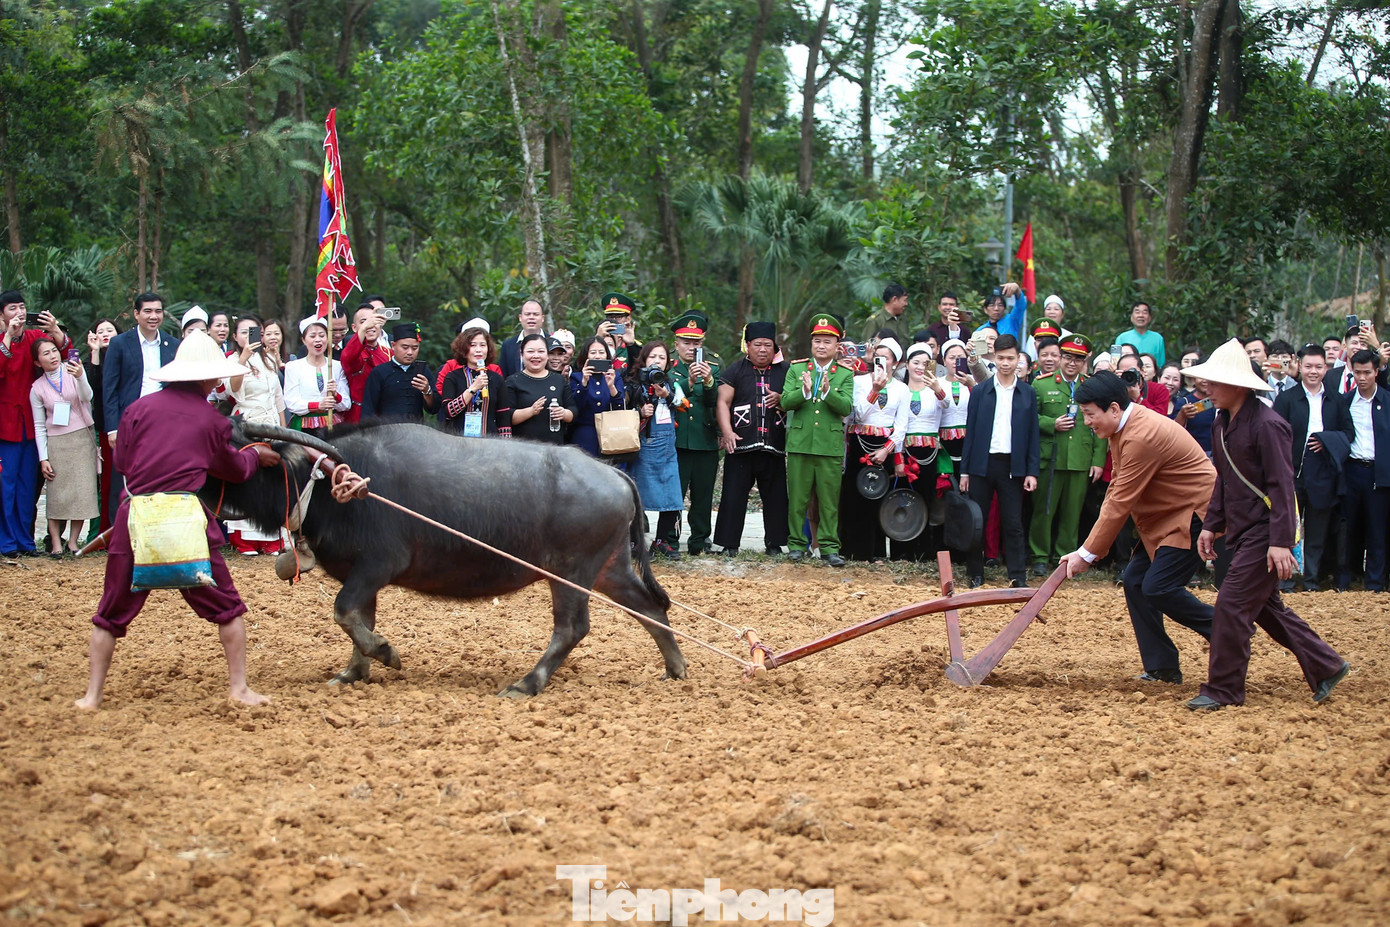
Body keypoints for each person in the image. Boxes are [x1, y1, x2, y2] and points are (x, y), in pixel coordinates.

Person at [75, 331, 283, 711]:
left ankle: (92, 696)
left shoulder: (138, 409)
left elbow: (122, 461)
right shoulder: (212, 420)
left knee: (109, 612)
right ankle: (238, 688)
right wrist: (256, 457)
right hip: (186, 521)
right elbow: (234, 470)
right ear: (208, 378)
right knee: (228, 607)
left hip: (134, 518)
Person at [1186, 339, 1350, 710]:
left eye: (1216, 381)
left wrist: (1281, 542)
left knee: (1230, 605)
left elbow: (1282, 485)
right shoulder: (1221, 422)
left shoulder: (1269, 424)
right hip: (1243, 532)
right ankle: (1327, 665)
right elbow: (1223, 480)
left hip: (1265, 532)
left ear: (1240, 385)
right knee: (1264, 607)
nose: (1207, 388)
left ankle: (1224, 689)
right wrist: (1212, 524)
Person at [1060, 371, 1216, 684]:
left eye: (1091, 414)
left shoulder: (1142, 435)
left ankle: (1224, 628)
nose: (1087, 422)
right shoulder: (1126, 428)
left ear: (1114, 408)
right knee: (1135, 581)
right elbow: (1117, 489)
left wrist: (1088, 554)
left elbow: (1120, 502)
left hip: (1193, 516)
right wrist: (1087, 549)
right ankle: (1162, 667)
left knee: (1159, 587)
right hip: (1165, 517)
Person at [959, 334, 1038, 587]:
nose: (1005, 363)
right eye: (1001, 358)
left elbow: (1033, 435)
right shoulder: (982, 390)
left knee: (1013, 523)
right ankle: (975, 573)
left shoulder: (1027, 393)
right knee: (977, 522)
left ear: (1019, 360)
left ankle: (1017, 575)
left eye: (1011, 358)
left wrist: (1031, 472)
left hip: (1013, 467)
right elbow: (970, 432)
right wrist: (965, 471)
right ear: (994, 358)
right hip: (982, 464)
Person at [1271, 344, 1348, 592]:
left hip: (1323, 474)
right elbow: (1275, 433)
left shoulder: (1336, 400)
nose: (1313, 372)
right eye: (1308, 366)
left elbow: (1349, 433)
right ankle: (1285, 580)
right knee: (1289, 528)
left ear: (1326, 367)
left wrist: (1327, 440)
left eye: (1318, 367)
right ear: (1299, 366)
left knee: (1317, 529)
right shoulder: (1287, 399)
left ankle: (1312, 580)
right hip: (1291, 474)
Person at [0, 291, 72, 555]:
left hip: (32, 423)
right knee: (5, 487)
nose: (18, 313)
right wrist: (8, 336)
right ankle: (6, 542)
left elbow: (62, 353)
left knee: (27, 486)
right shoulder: (2, 340)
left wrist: (54, 330)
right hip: (5, 426)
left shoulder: (33, 338)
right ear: (1, 315)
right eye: (11, 309)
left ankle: (25, 541)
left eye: (21, 307)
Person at [782, 314, 855, 566]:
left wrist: (827, 392)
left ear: (837, 346)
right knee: (798, 499)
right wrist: (803, 391)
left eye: (827, 341)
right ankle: (795, 545)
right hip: (801, 443)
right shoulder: (797, 368)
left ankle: (829, 547)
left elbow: (846, 407)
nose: (821, 346)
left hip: (829, 446)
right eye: (817, 341)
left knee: (829, 501)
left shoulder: (844, 373)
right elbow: (784, 401)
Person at [1029, 333, 1105, 575]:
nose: (1072, 363)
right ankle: (1040, 555)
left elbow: (1101, 425)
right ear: (1060, 357)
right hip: (1050, 456)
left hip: (1080, 459)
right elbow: (1029, 417)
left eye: (1078, 359)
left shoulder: (1091, 386)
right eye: (1068, 357)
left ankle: (1066, 556)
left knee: (1073, 512)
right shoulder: (1042, 384)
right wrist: (1052, 424)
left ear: (1085, 361)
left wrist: (1098, 460)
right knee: (1044, 509)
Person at [101, 293, 178, 526]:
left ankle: (157, 529)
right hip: (130, 420)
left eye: (158, 311)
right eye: (147, 311)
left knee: (162, 476)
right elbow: (109, 389)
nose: (153, 316)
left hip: (164, 422)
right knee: (123, 478)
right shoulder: (119, 344)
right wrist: (112, 427)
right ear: (136, 314)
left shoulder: (173, 344)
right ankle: (119, 534)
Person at [714, 322, 789, 556]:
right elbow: (722, 402)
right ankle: (729, 544)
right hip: (741, 445)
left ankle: (776, 544)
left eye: (768, 345)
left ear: (775, 347)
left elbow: (797, 398)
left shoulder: (786, 371)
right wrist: (727, 432)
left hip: (774, 446)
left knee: (776, 497)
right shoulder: (736, 370)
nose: (763, 350)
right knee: (733, 496)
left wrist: (783, 398)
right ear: (748, 346)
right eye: (758, 345)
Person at [840, 337, 908, 561]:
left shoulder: (902, 389)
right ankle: (851, 550)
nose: (882, 361)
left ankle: (876, 552)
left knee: (878, 500)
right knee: (854, 497)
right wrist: (875, 390)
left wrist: (887, 451)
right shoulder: (859, 382)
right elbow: (858, 414)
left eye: (886, 358)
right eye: (878, 355)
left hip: (883, 448)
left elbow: (901, 427)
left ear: (895, 364)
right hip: (860, 443)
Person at [30, 338, 99, 556]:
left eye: (54, 351)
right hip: (57, 442)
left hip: (81, 438)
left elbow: (88, 397)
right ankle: (56, 544)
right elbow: (39, 425)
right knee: (57, 493)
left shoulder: (73, 371)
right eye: (45, 354)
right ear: (37, 362)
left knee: (82, 491)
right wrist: (44, 458)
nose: (52, 356)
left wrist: (79, 377)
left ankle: (72, 542)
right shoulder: (37, 388)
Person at [226, 315, 287, 556]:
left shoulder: (270, 357)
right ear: (235, 336)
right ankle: (245, 539)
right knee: (248, 478)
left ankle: (272, 536)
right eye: (245, 332)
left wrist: (284, 431)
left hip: (272, 423)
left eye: (255, 332)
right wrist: (243, 359)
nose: (251, 337)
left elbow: (278, 397)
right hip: (247, 423)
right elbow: (234, 390)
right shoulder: (231, 360)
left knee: (271, 480)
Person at [666, 313, 722, 555]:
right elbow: (671, 398)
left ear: (703, 342)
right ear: (676, 343)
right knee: (674, 493)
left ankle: (700, 540)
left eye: (696, 343)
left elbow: (715, 402)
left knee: (703, 495)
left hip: (705, 438)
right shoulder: (667, 366)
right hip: (676, 440)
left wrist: (709, 381)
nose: (691, 347)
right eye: (686, 342)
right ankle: (669, 539)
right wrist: (689, 383)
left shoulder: (715, 367)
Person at [626, 341, 686, 559]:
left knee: (672, 496)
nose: (657, 361)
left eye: (662, 358)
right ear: (644, 359)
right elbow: (622, 410)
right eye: (653, 357)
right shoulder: (633, 384)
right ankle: (634, 542)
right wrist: (640, 411)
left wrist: (665, 395)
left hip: (667, 449)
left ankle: (662, 541)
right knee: (638, 495)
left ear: (668, 362)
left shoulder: (671, 382)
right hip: (644, 446)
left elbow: (684, 404)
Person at [1337, 348, 1390, 592]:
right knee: (1348, 529)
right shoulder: (1345, 402)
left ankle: (1375, 584)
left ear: (1376, 372)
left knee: (1377, 529)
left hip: (1379, 473)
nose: (1362, 378)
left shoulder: (1387, 402)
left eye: (1367, 372)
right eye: (1357, 372)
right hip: (1352, 470)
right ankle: (1344, 581)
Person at [892, 342, 949, 561]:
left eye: (925, 364)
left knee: (926, 499)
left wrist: (937, 387)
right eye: (915, 363)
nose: (919, 367)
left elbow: (947, 405)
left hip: (929, 451)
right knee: (902, 497)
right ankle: (900, 550)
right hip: (905, 450)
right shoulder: (900, 390)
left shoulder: (935, 390)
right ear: (907, 365)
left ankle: (924, 551)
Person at [83, 318, 121, 539]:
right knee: (103, 481)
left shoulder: (126, 357)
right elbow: (91, 390)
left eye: (110, 330)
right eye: (100, 331)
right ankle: (100, 531)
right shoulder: (92, 361)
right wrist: (95, 353)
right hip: (102, 428)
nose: (105, 333)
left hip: (125, 425)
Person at [502, 332, 575, 443]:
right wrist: (531, 411)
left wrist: (564, 413)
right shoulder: (512, 381)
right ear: (521, 354)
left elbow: (573, 410)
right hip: (523, 447)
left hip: (555, 446)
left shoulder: (559, 380)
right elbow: (506, 416)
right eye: (530, 351)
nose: (536, 356)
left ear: (547, 355)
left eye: (541, 351)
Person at [283, 316, 351, 431]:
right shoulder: (293, 367)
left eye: (322, 335)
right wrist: (318, 405)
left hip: (332, 424)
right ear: (304, 340)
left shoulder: (337, 366)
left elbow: (346, 404)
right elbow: (292, 403)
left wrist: (335, 395)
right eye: (312, 336)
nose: (318, 339)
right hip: (304, 426)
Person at [361, 322, 438, 422]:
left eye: (415, 348)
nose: (410, 352)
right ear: (393, 345)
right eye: (405, 347)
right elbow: (368, 410)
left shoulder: (423, 372)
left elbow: (434, 409)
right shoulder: (380, 372)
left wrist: (427, 391)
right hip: (388, 431)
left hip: (416, 431)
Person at [441, 326, 506, 437]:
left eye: (482, 345)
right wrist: (473, 388)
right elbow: (449, 412)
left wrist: (506, 442)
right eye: (473, 345)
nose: (478, 350)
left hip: (490, 442)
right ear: (463, 349)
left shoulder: (496, 379)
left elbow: (503, 415)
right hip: (459, 441)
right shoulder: (453, 377)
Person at [567, 336, 622, 455]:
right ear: (586, 355)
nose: (597, 356)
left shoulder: (615, 377)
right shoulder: (576, 377)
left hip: (611, 432)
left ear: (607, 355)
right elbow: (575, 407)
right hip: (584, 434)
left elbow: (620, 407)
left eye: (601, 352)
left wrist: (611, 386)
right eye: (593, 352)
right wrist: (584, 382)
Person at [339, 302, 390, 422]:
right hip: (358, 417)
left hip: (384, 416)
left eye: (373, 321)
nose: (370, 326)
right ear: (354, 328)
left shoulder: (389, 353)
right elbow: (347, 359)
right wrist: (364, 328)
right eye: (363, 322)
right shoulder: (353, 352)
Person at [497, 299, 548, 378]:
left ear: (542, 318)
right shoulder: (508, 345)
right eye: (527, 314)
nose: (531, 317)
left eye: (535, 314)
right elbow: (504, 376)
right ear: (520, 317)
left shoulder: (551, 342)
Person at [1114, 300, 1165, 366]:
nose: (1141, 315)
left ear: (1149, 318)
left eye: (1145, 312)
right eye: (1137, 312)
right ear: (1131, 317)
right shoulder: (1121, 338)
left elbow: (1161, 364)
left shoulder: (1158, 338)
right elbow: (1115, 362)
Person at [595, 293, 639, 365]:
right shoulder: (597, 339)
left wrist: (631, 345)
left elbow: (638, 368)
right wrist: (597, 339)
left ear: (628, 319)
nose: (614, 320)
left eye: (619, 316)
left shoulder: (634, 347)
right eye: (610, 316)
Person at [1024, 294, 1071, 359]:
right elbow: (1030, 359)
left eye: (1056, 309)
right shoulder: (1034, 336)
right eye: (1048, 309)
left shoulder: (1068, 336)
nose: (1052, 312)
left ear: (1062, 314)